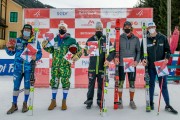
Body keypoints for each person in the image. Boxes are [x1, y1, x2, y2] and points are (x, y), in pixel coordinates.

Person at [42, 22, 82, 111]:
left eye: (63, 28)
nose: (62, 29)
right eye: (60, 27)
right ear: (58, 28)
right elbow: (51, 50)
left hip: (65, 67)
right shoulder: (54, 40)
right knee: (54, 82)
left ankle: (64, 101)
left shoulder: (71, 40)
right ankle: (53, 101)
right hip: (55, 66)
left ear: (66, 29)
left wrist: (76, 56)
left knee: (65, 83)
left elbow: (79, 51)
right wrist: (44, 46)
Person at [141, 21, 178, 114]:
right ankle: (151, 103)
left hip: (161, 65)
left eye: (152, 27)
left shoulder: (163, 38)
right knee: (151, 85)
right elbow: (142, 53)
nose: (151, 29)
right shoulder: (145, 39)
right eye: (149, 28)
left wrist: (166, 59)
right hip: (150, 66)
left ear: (155, 27)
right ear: (147, 29)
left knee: (164, 85)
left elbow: (168, 51)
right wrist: (143, 60)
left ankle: (168, 105)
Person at [6, 24, 42, 114]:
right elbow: (11, 53)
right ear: (22, 31)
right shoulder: (17, 40)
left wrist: (36, 57)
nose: (27, 31)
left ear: (31, 32)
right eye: (25, 29)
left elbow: (40, 53)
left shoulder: (34, 42)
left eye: (28, 30)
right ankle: (14, 105)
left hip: (28, 68)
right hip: (17, 68)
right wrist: (8, 48)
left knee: (27, 87)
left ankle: (25, 103)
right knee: (16, 87)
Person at [105, 21, 140, 110]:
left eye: (129, 26)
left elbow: (138, 51)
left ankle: (131, 101)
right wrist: (113, 59)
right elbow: (115, 51)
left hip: (131, 64)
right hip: (121, 64)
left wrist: (136, 61)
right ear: (123, 28)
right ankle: (120, 100)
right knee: (120, 83)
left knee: (132, 83)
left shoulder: (136, 39)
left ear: (131, 27)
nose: (127, 28)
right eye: (126, 26)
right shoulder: (119, 38)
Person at [84, 21, 115, 109]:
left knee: (101, 85)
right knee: (91, 85)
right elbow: (85, 53)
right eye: (97, 29)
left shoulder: (106, 39)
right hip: (92, 68)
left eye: (100, 29)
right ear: (95, 29)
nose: (99, 30)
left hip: (102, 67)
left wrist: (108, 60)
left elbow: (112, 52)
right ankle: (89, 101)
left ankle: (99, 101)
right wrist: (87, 51)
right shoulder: (90, 40)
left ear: (102, 29)